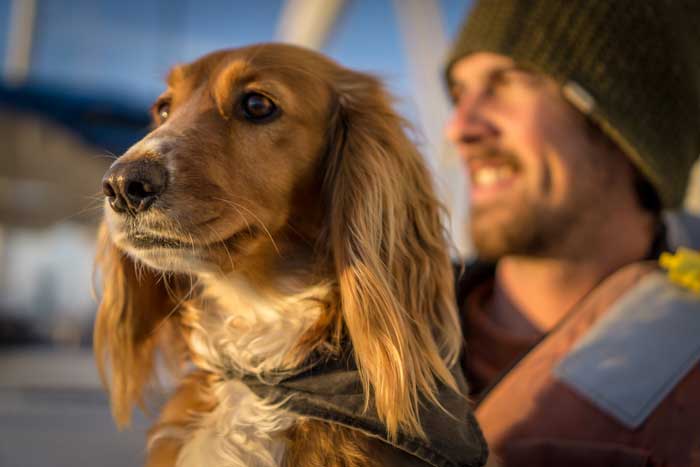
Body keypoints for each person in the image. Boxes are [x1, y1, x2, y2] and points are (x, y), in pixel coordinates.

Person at [444, 1, 700, 465]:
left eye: (510, 79)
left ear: (625, 124)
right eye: (460, 92)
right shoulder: (343, 352)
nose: (459, 127)